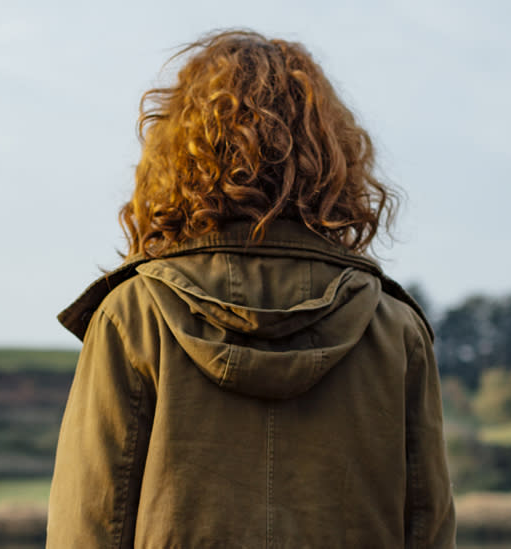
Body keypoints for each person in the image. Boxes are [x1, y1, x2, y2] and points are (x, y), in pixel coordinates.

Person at [47, 29, 456, 548]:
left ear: (179, 158)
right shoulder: (394, 329)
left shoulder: (132, 316)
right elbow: (430, 529)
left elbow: (87, 529)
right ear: (330, 156)